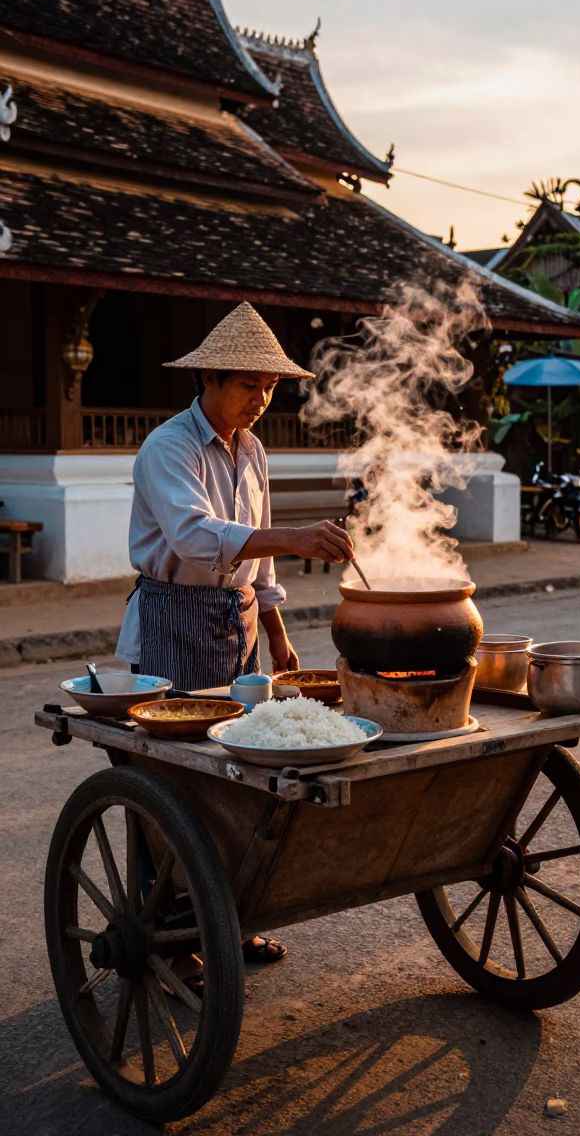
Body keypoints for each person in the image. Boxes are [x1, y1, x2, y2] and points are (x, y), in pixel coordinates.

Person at [116, 302, 354, 973]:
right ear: (210, 381)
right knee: (169, 781)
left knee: (238, 775)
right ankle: (166, 933)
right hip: (173, 620)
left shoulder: (254, 452)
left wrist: (278, 634)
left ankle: (234, 920)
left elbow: (261, 562)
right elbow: (195, 539)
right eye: (250, 384)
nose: (261, 398)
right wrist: (298, 535)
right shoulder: (168, 447)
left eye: (271, 387)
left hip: (240, 622)